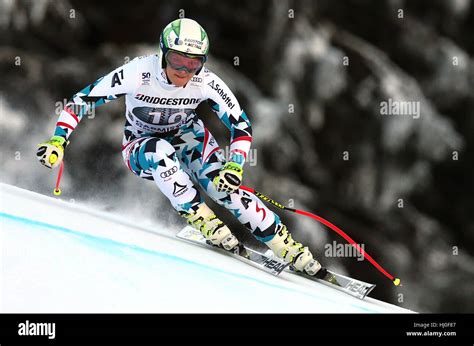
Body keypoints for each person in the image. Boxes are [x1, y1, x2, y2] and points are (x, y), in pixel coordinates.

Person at [36, 18, 325, 277]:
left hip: (189, 138)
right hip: (141, 143)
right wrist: (58, 140)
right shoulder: (139, 72)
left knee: (222, 188)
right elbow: (83, 100)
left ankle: (284, 244)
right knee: (160, 153)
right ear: (162, 54)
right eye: (177, 61)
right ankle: (200, 217)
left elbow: (241, 124)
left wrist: (235, 165)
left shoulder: (205, 81)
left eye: (193, 63)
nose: (184, 71)